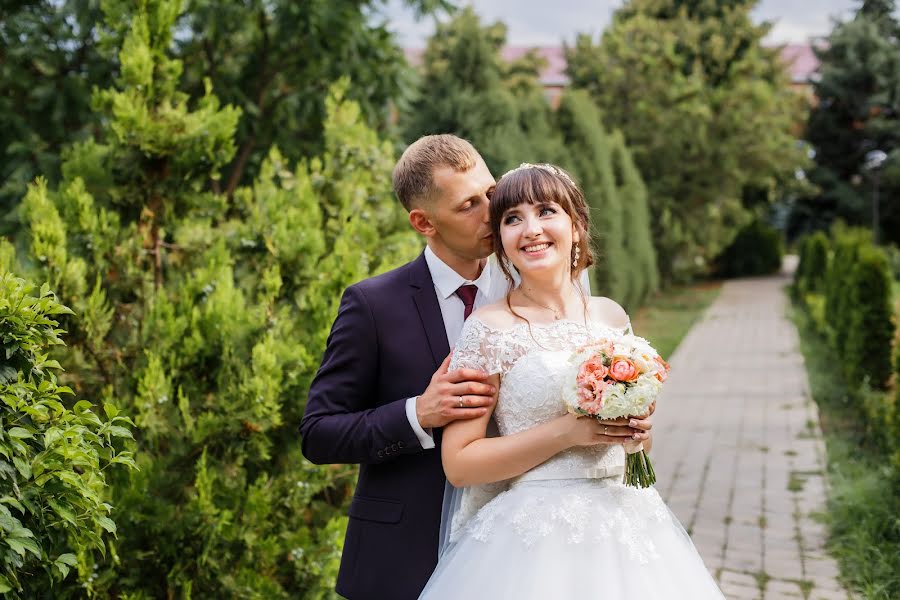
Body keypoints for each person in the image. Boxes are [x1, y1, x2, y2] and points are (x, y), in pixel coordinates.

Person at [299, 135, 649, 600]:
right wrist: (417, 414)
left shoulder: (539, 275)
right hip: (408, 550)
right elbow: (318, 432)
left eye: (490, 192)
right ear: (424, 222)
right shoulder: (373, 305)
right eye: (469, 205)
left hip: (547, 546)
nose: (492, 210)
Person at [417, 163, 724, 599]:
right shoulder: (488, 329)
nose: (531, 229)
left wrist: (637, 433)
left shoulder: (610, 317)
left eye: (546, 211)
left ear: (576, 225)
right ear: (501, 239)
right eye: (512, 218)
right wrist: (566, 432)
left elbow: (638, 444)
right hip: (532, 540)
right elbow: (461, 465)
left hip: (628, 525)